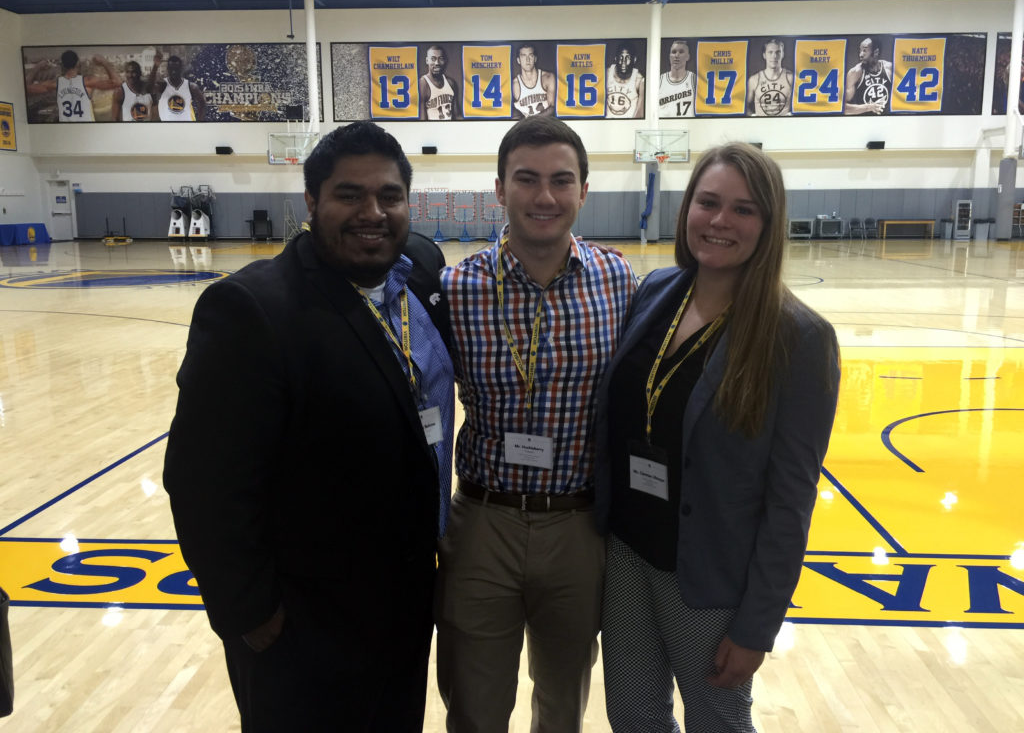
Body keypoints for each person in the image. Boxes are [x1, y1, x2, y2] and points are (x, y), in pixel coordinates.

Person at [163, 120, 455, 732]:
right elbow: (201, 481)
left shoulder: (420, 272)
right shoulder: (253, 309)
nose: (371, 212)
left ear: (408, 202)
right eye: (350, 195)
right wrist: (248, 610)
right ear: (312, 202)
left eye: (389, 196)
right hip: (302, 623)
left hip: (403, 603)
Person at [594, 143, 840, 732]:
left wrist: (757, 625)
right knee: (632, 716)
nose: (720, 221)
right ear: (687, 211)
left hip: (706, 575)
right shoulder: (655, 292)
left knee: (716, 720)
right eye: (708, 202)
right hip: (628, 553)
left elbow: (790, 502)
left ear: (769, 224)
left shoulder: (797, 338)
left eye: (744, 210)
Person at [436, 116, 636, 732]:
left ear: (583, 189)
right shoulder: (455, 288)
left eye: (560, 180)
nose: (544, 197)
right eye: (526, 179)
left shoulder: (620, 282)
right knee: (474, 705)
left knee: (563, 703)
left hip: (578, 528)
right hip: (482, 524)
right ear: (499, 188)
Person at [24, 49, 119, 122]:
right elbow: (116, 82)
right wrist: (103, 62)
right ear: (77, 63)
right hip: (87, 129)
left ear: (63, 65)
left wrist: (38, 66)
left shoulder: (55, 84)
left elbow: (26, 88)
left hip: (67, 131)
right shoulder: (87, 82)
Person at [151, 52, 207, 121]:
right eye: (171, 68)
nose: (174, 71)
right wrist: (155, 66)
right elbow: (150, 89)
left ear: (181, 69)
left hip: (187, 128)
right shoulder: (163, 85)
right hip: (167, 129)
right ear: (168, 69)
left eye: (176, 68)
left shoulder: (191, 86)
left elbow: (202, 103)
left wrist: (199, 122)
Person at [845, 37, 893, 115]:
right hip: (863, 122)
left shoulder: (889, 68)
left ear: (876, 52)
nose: (860, 55)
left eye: (864, 50)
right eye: (860, 50)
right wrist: (869, 107)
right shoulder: (855, 73)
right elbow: (842, 108)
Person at [746, 39, 794, 116]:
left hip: (785, 125)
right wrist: (753, 118)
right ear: (764, 55)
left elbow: (802, 106)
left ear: (783, 54)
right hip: (761, 126)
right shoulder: (754, 79)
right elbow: (744, 107)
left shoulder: (791, 78)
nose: (774, 56)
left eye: (778, 52)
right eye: (770, 52)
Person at [512, 43, 556, 118]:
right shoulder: (514, 85)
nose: (527, 60)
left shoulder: (547, 77)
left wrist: (531, 120)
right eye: (523, 56)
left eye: (530, 55)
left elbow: (552, 108)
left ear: (535, 58)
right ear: (518, 60)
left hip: (545, 124)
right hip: (525, 127)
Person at [419, 44, 461, 120]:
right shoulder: (423, 83)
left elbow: (457, 115)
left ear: (445, 61)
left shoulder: (451, 83)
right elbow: (422, 120)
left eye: (440, 59)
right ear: (427, 61)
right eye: (433, 59)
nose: (437, 63)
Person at [658, 39, 697, 118]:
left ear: (688, 57)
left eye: (681, 52)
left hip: (688, 127)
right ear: (669, 56)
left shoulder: (694, 79)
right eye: (674, 52)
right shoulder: (659, 80)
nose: (677, 55)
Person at [607, 43, 646, 118]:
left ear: (634, 60)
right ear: (616, 58)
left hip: (628, 124)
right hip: (609, 124)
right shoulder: (607, 74)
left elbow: (640, 112)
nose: (623, 62)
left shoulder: (639, 79)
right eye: (620, 57)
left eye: (627, 58)